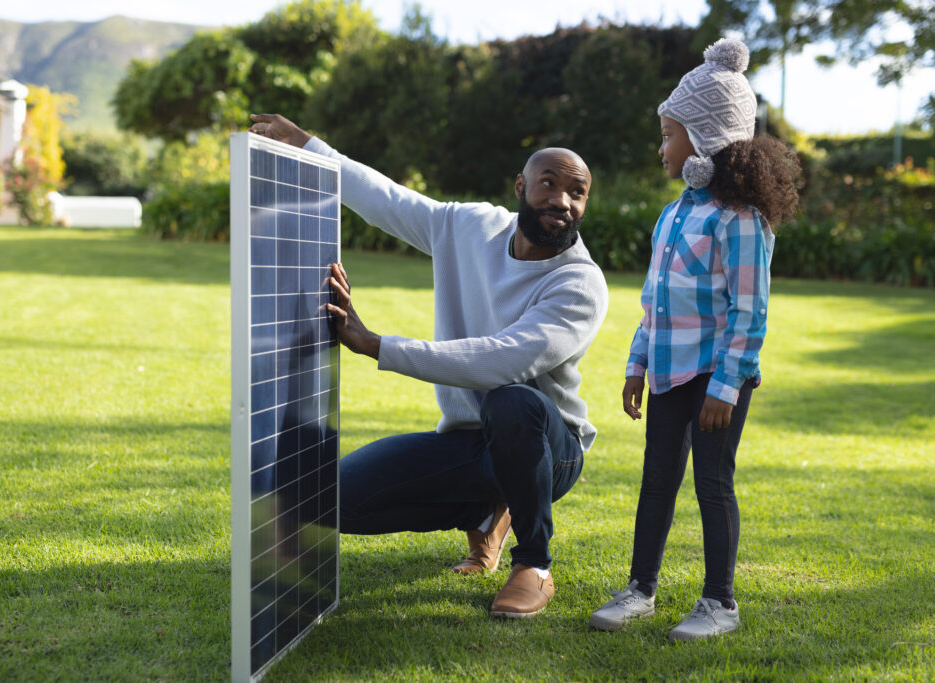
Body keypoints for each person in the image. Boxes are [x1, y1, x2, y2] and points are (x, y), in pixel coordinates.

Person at [249, 112, 609, 619]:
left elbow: (503, 360)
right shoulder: (468, 227)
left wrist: (375, 344)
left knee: (512, 400)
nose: (562, 201)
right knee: (327, 500)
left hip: (551, 448)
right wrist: (308, 146)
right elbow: (387, 200)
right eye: (548, 184)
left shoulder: (580, 283)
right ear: (520, 187)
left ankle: (534, 564)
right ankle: (484, 511)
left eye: (577, 192)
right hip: (469, 440)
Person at [587, 39, 800, 641]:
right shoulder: (674, 213)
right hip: (669, 372)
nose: (662, 146)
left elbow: (750, 312)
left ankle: (720, 603)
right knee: (657, 479)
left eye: (669, 133)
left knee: (713, 482)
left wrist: (726, 387)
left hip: (716, 379)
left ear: (704, 136)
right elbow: (654, 300)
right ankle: (640, 588)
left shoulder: (741, 221)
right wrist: (636, 364)